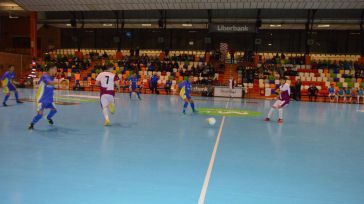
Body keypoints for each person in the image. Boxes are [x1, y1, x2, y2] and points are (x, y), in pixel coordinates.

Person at [28, 64, 58, 130]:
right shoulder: (45, 76)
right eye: (55, 69)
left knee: (54, 110)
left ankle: (48, 117)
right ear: (51, 69)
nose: (56, 71)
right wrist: (57, 82)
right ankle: (32, 123)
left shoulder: (52, 77)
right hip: (41, 99)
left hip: (49, 99)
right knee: (40, 114)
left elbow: (50, 85)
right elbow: (49, 83)